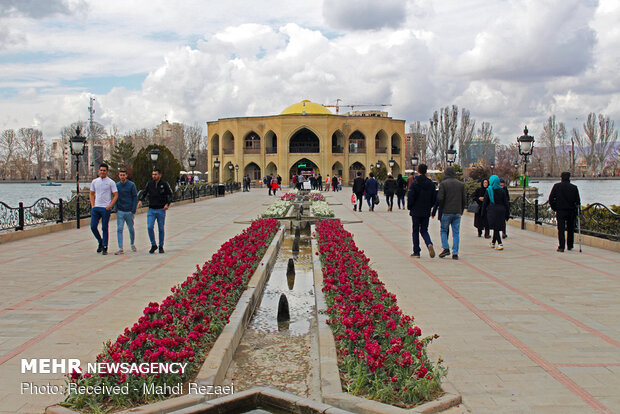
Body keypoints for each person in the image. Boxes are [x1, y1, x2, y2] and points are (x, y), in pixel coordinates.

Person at [137, 168, 173, 254]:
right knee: (149, 227)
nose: (154, 176)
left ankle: (161, 246)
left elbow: (170, 194)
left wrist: (167, 204)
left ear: (160, 175)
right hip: (151, 209)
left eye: (156, 174)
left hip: (161, 209)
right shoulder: (150, 184)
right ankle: (153, 244)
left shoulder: (164, 184)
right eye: (153, 174)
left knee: (161, 228)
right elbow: (145, 192)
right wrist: (140, 200)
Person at [437, 166, 466, 260]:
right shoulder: (461, 184)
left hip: (447, 211)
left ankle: (446, 248)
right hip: (457, 212)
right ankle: (455, 252)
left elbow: (440, 198)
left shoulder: (443, 184)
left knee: (443, 230)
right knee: (456, 233)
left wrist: (442, 208)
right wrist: (461, 210)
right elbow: (464, 199)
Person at [407, 164, 436, 258]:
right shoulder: (431, 184)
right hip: (426, 210)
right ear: (426, 171)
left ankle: (416, 251)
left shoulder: (415, 183)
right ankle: (429, 243)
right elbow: (434, 198)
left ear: (418, 171)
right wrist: (429, 206)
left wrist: (410, 207)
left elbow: (411, 196)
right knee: (424, 230)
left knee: (415, 230)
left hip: (416, 210)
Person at [89, 163, 118, 255]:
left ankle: (105, 246)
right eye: (101, 170)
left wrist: (110, 205)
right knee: (93, 226)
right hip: (96, 208)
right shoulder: (95, 181)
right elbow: (91, 193)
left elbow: (116, 195)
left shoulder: (110, 182)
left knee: (104, 227)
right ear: (99, 171)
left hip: (105, 208)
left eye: (104, 170)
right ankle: (100, 241)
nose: (102, 172)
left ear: (107, 172)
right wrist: (93, 205)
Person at [548, 171, 581, 252]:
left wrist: (555, 207)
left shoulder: (556, 186)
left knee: (561, 229)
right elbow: (578, 201)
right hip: (571, 211)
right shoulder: (574, 187)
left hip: (561, 211)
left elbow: (551, 199)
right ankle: (570, 245)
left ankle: (561, 246)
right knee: (570, 229)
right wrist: (578, 212)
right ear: (569, 178)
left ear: (561, 177)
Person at [482, 175, 510, 250]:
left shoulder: (489, 190)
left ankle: (500, 243)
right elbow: (506, 203)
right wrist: (507, 213)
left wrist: (483, 212)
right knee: (497, 227)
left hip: (492, 211)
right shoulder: (502, 191)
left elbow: (485, 202)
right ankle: (493, 242)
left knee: (495, 227)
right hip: (501, 211)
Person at [114, 168, 138, 255]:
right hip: (120, 211)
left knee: (131, 228)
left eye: (124, 175)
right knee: (119, 229)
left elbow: (135, 197)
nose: (122, 177)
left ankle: (132, 243)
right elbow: (115, 197)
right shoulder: (117, 185)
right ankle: (120, 247)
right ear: (119, 176)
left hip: (129, 211)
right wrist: (115, 208)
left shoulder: (131, 185)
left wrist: (133, 210)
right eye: (121, 175)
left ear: (126, 176)